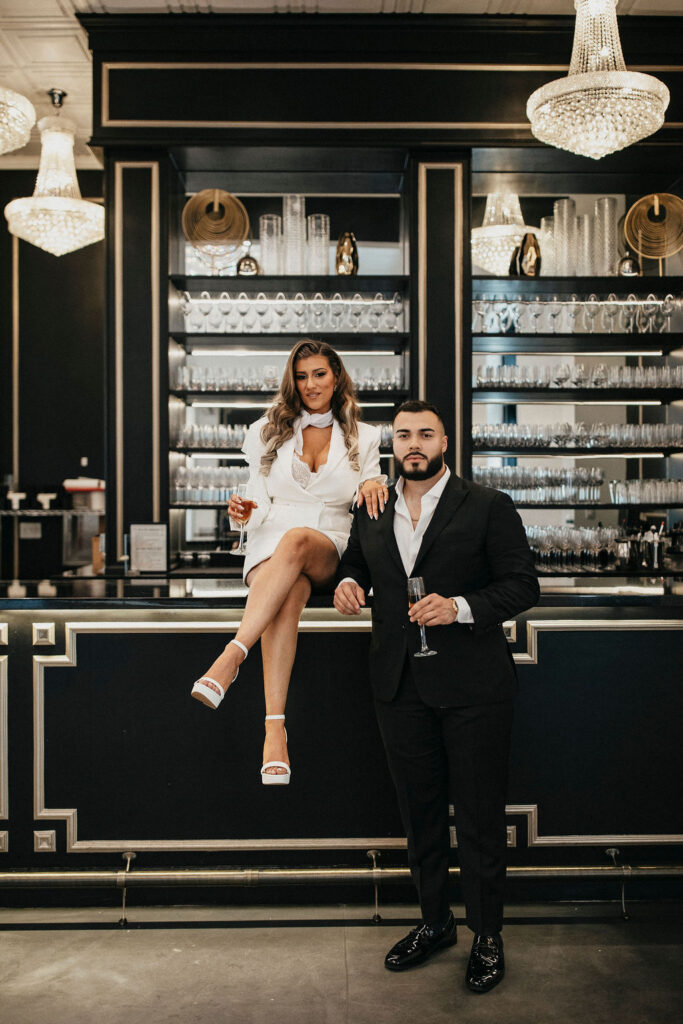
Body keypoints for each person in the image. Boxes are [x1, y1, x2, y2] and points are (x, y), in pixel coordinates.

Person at [334, 400, 539, 993]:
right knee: (418, 815)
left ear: (445, 442)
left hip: (474, 686)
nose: (414, 444)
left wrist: (460, 608)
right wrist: (349, 583)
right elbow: (355, 565)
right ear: (391, 445)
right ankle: (435, 922)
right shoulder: (372, 506)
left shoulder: (487, 505)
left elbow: (523, 584)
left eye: (425, 434)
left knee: (477, 817)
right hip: (398, 684)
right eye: (403, 435)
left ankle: (488, 936)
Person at [191, 339, 388, 785]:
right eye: (301, 377)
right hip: (268, 541)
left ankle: (231, 656)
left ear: (335, 376)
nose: (310, 384)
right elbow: (257, 496)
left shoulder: (366, 434)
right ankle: (274, 729)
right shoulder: (267, 429)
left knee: (297, 542)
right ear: (292, 382)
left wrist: (376, 482)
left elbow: (372, 483)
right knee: (288, 596)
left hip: (325, 542)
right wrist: (241, 511)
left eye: (319, 374)